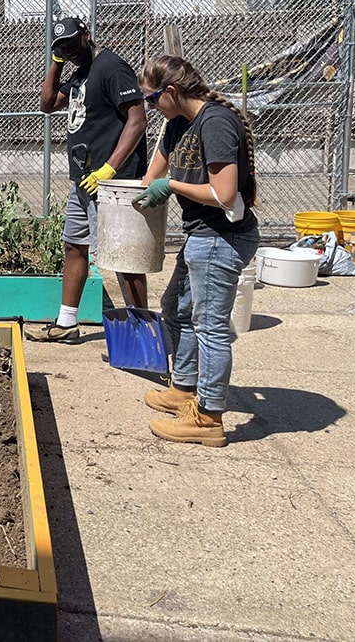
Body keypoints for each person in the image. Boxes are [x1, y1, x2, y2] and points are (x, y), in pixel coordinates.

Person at [135, 55, 260, 447]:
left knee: (210, 327)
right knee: (176, 307)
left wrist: (171, 186)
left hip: (222, 236)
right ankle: (184, 388)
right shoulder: (177, 124)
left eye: (152, 99)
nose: (150, 107)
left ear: (171, 91)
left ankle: (208, 417)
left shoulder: (215, 123)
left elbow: (224, 193)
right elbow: (152, 175)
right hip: (201, 235)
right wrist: (138, 189)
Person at [26, 16, 149, 343]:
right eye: (62, 48)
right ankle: (67, 322)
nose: (69, 51)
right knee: (74, 245)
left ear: (87, 34)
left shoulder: (111, 67)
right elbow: (48, 103)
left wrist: (110, 168)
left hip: (113, 183)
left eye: (72, 43)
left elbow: (137, 120)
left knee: (123, 256)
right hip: (84, 180)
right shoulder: (80, 72)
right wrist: (56, 63)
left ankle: (142, 331)